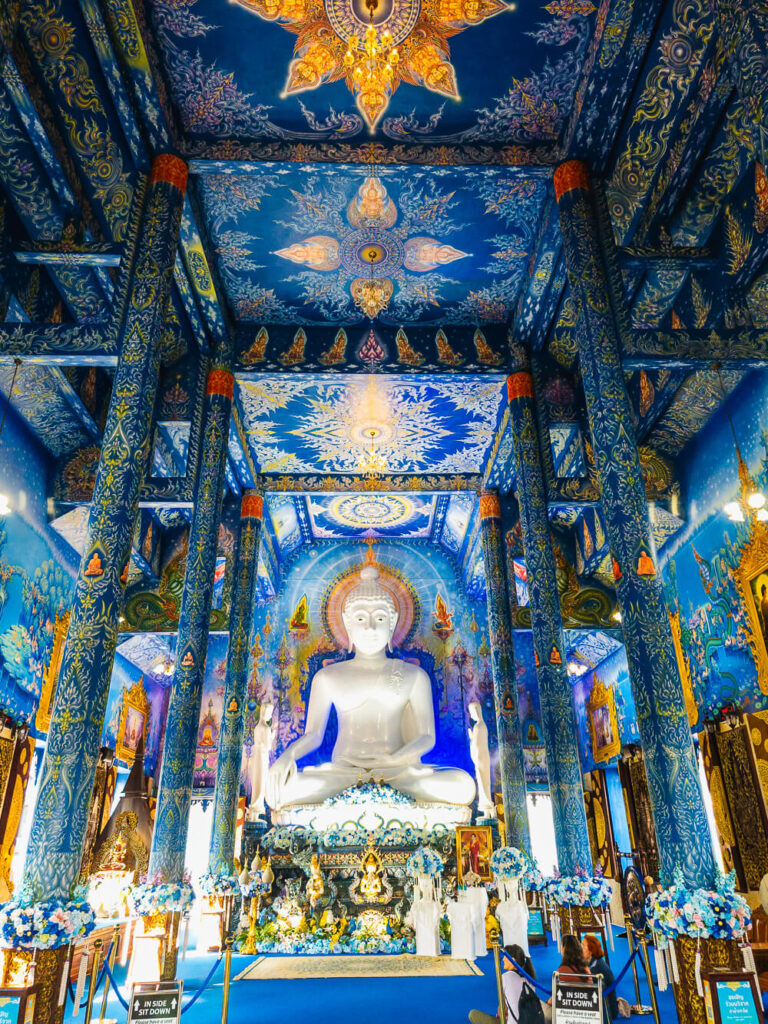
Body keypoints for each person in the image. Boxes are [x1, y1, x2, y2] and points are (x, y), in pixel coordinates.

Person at [468, 944, 547, 1024]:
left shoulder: (506, 977)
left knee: (473, 1014)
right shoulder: (530, 978)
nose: (503, 959)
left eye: (505, 957)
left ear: (512, 960)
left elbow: (501, 1010)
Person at [583, 935, 619, 1022]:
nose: (581, 948)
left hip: (607, 1011)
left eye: (583, 945)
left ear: (591, 950)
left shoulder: (597, 967)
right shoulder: (593, 962)